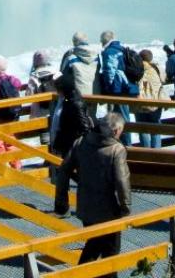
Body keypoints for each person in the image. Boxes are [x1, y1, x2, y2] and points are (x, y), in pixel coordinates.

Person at [54, 112, 133, 263]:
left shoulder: (81, 142)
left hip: (85, 207)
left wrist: (61, 203)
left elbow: (64, 170)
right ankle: (79, 274)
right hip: (109, 210)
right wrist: (126, 207)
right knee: (110, 254)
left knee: (94, 244)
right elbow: (121, 181)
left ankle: (80, 273)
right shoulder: (117, 150)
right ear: (116, 131)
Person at [134, 49, 165, 147]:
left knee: (142, 128)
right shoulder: (157, 68)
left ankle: (145, 154)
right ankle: (156, 154)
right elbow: (164, 79)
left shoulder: (138, 68)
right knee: (155, 128)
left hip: (141, 103)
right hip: (156, 102)